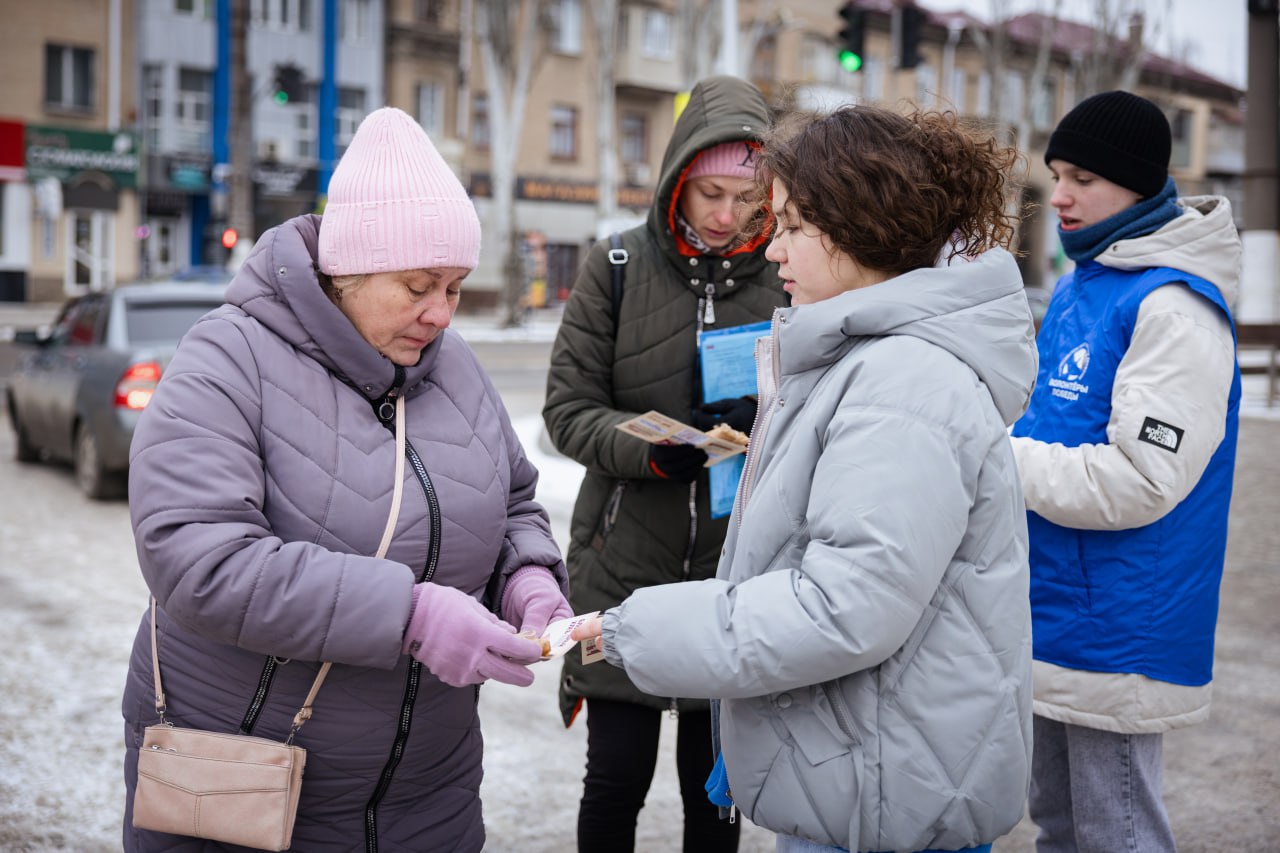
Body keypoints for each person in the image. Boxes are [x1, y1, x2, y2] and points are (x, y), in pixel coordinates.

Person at [571, 103, 1038, 853]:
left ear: (860, 223)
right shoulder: (867, 356)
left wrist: (638, 627)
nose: (773, 246)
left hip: (886, 787)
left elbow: (843, 606)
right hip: (869, 762)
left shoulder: (901, 381)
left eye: (790, 224)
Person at [121, 107, 570, 851]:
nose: (441, 314)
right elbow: (197, 558)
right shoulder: (229, 358)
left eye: (455, 287)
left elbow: (514, 496)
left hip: (427, 792)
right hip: (247, 784)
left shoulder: (452, 366)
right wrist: (409, 615)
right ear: (346, 270)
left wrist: (526, 573)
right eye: (419, 284)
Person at [542, 74, 786, 852]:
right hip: (623, 571)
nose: (727, 214)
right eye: (709, 192)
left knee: (714, 791)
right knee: (614, 781)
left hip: (733, 575)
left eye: (747, 198)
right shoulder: (615, 264)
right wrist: (655, 453)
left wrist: (763, 423)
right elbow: (567, 411)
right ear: (677, 180)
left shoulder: (790, 274)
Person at [1009, 90, 1242, 853]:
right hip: (1054, 609)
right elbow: (1051, 422)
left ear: (1140, 183)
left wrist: (994, 458)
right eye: (1057, 173)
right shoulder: (1086, 282)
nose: (1063, 194)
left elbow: (1142, 480)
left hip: (1117, 629)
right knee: (1060, 825)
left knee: (1119, 833)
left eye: (1084, 176)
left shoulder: (1173, 306)